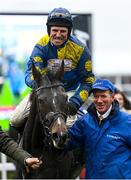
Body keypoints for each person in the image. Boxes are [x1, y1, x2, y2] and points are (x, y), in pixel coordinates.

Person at [10, 7, 95, 129]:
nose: (58, 35)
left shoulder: (81, 50)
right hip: (44, 91)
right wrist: (38, 87)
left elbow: (88, 81)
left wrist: (75, 102)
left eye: (63, 31)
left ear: (69, 32)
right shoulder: (41, 46)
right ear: (49, 30)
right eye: (55, 30)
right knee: (15, 120)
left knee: (70, 126)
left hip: (68, 92)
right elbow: (31, 72)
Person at [66, 78, 131, 179]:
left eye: (103, 96)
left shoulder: (127, 121)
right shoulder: (84, 122)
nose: (99, 101)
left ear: (112, 97)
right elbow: (65, 143)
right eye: (96, 96)